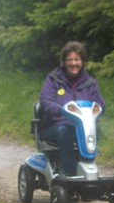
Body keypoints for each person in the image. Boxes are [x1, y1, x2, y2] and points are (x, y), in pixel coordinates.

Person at [38, 41, 105, 176]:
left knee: (93, 131)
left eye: (77, 59)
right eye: (69, 60)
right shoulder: (54, 79)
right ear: (64, 61)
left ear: (82, 61)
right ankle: (70, 173)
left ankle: (88, 171)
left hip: (82, 127)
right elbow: (45, 101)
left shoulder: (90, 82)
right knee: (65, 132)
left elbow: (100, 104)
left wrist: (97, 110)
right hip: (55, 126)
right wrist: (61, 109)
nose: (73, 63)